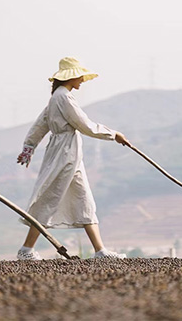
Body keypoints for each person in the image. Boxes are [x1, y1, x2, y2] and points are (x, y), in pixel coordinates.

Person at [16, 57, 131, 260]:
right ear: (71, 77)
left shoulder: (59, 97)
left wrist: (29, 146)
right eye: (80, 77)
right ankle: (26, 250)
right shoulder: (63, 98)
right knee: (49, 197)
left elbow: (39, 125)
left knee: (84, 198)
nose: (82, 81)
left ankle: (100, 251)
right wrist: (113, 134)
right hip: (64, 154)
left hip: (70, 154)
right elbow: (84, 124)